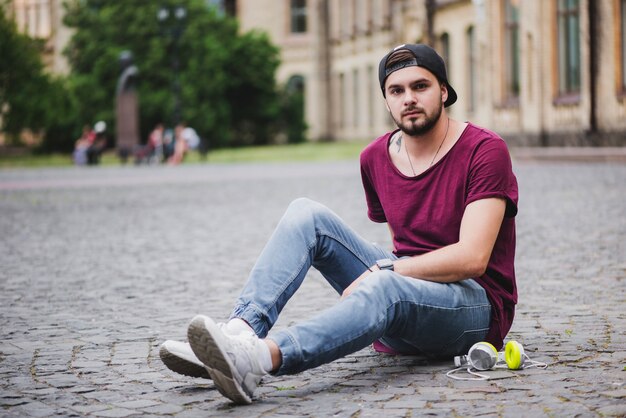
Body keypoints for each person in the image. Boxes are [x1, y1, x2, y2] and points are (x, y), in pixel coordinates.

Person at [159, 44, 518, 405]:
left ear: (443, 91)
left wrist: (387, 271)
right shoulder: (375, 157)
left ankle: (256, 360)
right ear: (386, 100)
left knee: (386, 284)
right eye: (397, 90)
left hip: (474, 312)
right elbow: (403, 244)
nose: (409, 98)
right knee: (305, 214)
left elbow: (473, 258)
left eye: (420, 86)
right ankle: (237, 336)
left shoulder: (484, 150)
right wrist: (389, 270)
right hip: (406, 305)